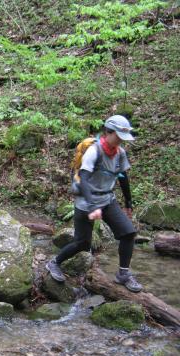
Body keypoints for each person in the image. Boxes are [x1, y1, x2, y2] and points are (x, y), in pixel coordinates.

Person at [46, 115, 142, 292]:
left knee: (128, 234)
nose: (121, 141)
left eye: (123, 137)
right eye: (118, 136)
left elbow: (123, 176)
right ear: (108, 132)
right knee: (82, 243)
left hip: (107, 200)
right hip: (85, 201)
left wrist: (128, 202)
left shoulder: (120, 153)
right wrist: (92, 206)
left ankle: (123, 274)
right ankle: (54, 262)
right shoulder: (94, 151)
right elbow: (83, 178)